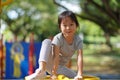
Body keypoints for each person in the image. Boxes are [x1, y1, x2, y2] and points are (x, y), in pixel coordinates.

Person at [26, 10, 83, 80]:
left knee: (75, 76)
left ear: (76, 25)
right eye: (65, 25)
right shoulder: (58, 38)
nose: (68, 28)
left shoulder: (78, 40)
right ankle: (42, 70)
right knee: (47, 41)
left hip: (60, 67)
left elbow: (79, 57)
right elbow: (56, 57)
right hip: (49, 61)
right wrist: (53, 74)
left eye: (71, 24)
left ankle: (44, 72)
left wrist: (79, 74)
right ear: (60, 27)